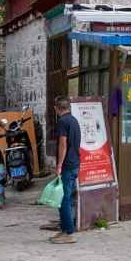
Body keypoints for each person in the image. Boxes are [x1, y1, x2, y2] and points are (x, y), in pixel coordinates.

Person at [50, 96, 81, 244]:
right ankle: (63, 230)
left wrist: (59, 165)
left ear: (57, 108)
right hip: (75, 163)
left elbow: (63, 144)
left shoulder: (62, 122)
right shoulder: (74, 120)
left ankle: (68, 232)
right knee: (65, 198)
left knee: (64, 199)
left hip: (67, 165)